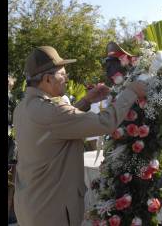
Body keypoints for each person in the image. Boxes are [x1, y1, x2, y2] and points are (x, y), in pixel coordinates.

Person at [13, 46, 147, 226]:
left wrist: (86, 101)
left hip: (32, 206)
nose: (66, 79)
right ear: (47, 79)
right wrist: (131, 91)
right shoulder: (51, 111)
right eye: (63, 74)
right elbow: (105, 123)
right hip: (52, 212)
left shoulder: (24, 107)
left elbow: (57, 128)